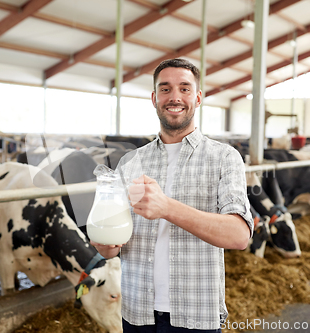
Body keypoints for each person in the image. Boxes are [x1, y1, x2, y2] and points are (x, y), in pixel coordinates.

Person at [91, 58, 253, 332]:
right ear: (154, 98)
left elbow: (239, 236)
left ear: (198, 97)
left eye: (185, 89)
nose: (174, 97)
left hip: (195, 312)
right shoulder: (130, 162)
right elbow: (113, 246)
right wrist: (106, 243)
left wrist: (167, 207)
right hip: (137, 311)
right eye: (165, 89)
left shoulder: (224, 158)